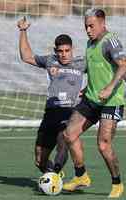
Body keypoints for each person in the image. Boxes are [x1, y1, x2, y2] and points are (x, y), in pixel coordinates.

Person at [62, 8, 126, 198]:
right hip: (92, 99)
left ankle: (117, 183)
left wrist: (111, 87)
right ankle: (81, 176)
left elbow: (123, 64)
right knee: (69, 134)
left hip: (112, 101)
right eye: (85, 26)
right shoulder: (89, 43)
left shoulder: (110, 40)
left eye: (91, 25)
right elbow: (98, 67)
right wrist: (88, 87)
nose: (87, 29)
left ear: (103, 22)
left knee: (103, 145)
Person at [17, 17, 86, 175]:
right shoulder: (50, 60)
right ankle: (53, 174)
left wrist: (88, 89)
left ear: (72, 49)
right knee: (40, 160)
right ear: (56, 51)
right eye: (60, 51)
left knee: (63, 143)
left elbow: (100, 73)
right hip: (50, 113)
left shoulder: (82, 63)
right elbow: (26, 56)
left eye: (67, 50)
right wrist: (23, 31)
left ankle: (55, 174)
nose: (64, 54)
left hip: (70, 112)